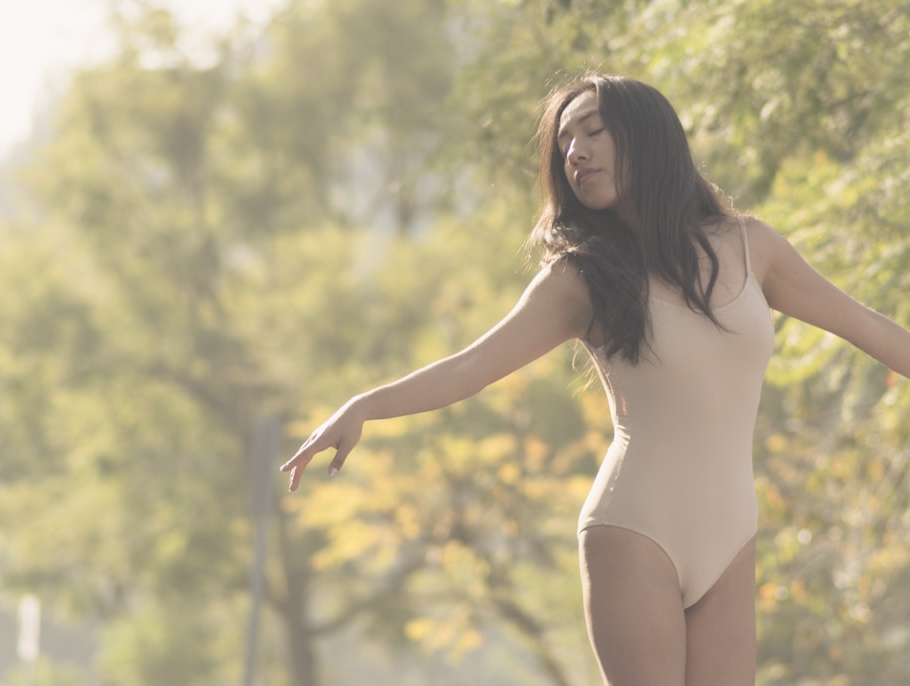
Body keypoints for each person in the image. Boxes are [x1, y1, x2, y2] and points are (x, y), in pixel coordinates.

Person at [278, 73, 910, 685]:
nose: (575, 153)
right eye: (564, 144)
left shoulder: (751, 246)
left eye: (592, 132)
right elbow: (472, 366)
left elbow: (867, 326)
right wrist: (364, 404)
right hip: (634, 531)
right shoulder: (580, 279)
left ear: (646, 137)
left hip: (732, 537)